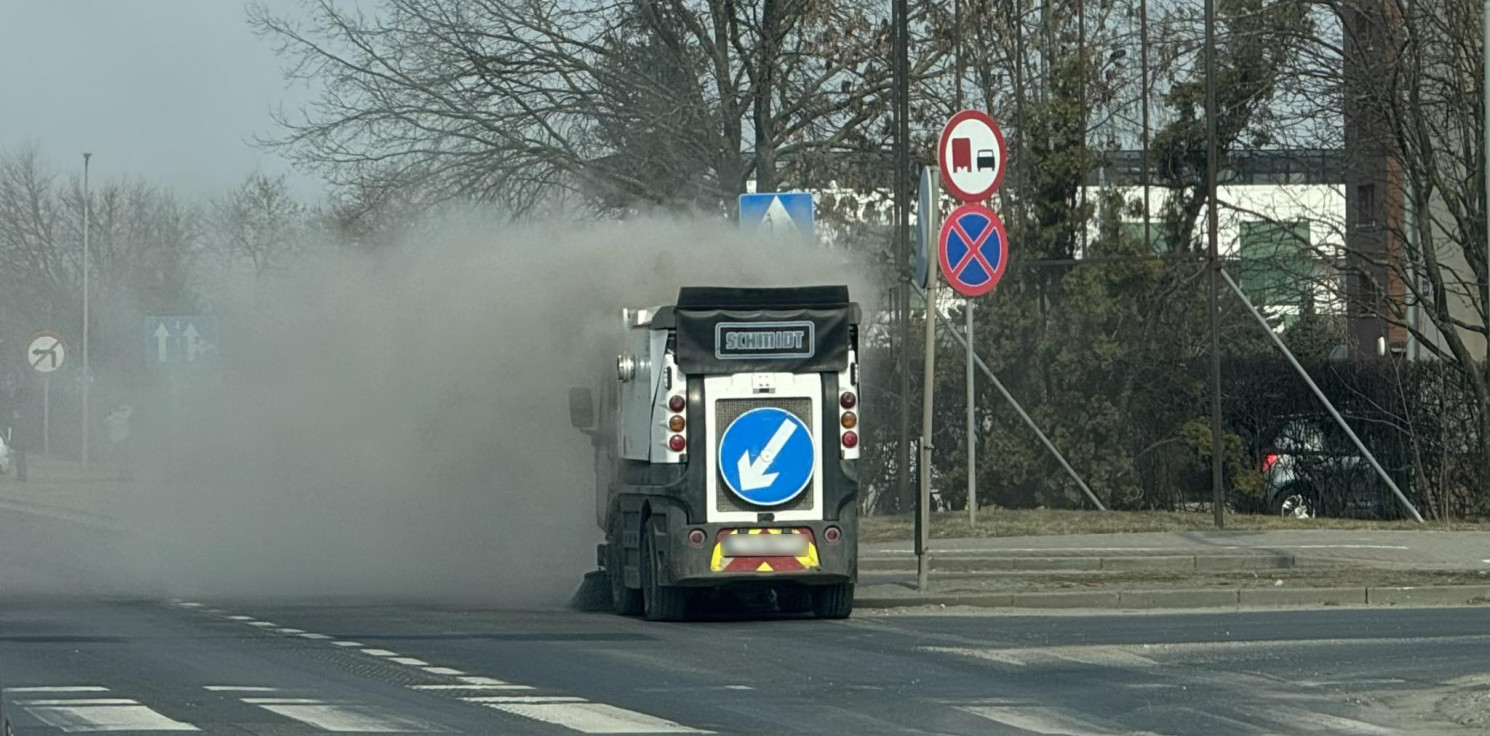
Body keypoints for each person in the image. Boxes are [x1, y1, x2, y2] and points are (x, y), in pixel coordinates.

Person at [103, 403, 134, 481]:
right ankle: (126, 474)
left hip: (117, 440)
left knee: (121, 458)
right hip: (124, 439)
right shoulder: (125, 415)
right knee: (125, 458)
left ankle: (123, 474)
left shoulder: (111, 418)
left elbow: (105, 424)